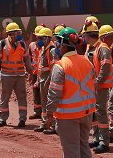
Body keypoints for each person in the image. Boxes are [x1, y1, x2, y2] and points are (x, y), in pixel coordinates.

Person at [47, 27, 96, 158]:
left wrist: (49, 113)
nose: (56, 44)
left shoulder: (60, 65)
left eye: (57, 41)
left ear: (64, 44)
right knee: (84, 146)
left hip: (68, 116)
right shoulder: (87, 61)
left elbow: (54, 93)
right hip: (87, 112)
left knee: (71, 150)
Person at [0, 22, 30, 127]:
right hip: (6, 75)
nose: (19, 34)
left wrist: (30, 72)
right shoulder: (2, 44)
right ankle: (2, 119)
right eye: (17, 32)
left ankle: (22, 119)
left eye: (19, 32)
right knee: (5, 97)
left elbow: (27, 60)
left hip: (20, 75)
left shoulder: (22, 44)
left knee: (22, 96)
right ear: (11, 34)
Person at [82, 22, 111, 153]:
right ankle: (97, 138)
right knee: (93, 112)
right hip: (91, 86)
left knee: (101, 112)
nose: (83, 38)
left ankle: (104, 141)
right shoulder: (90, 47)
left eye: (84, 35)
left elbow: (105, 67)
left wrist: (98, 82)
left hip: (100, 86)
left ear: (89, 35)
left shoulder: (102, 48)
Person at [33, 27, 57, 135]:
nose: (38, 41)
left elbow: (54, 67)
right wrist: (38, 80)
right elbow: (40, 67)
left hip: (48, 80)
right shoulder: (43, 49)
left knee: (50, 104)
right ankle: (45, 123)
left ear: (46, 39)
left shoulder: (51, 50)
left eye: (40, 38)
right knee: (44, 104)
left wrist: (48, 81)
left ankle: (53, 125)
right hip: (42, 80)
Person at [29, 25, 44, 120]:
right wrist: (30, 74)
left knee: (44, 92)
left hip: (43, 73)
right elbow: (30, 59)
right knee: (36, 92)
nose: (40, 39)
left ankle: (45, 113)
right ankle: (37, 111)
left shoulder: (47, 46)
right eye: (38, 37)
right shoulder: (31, 45)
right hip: (35, 72)